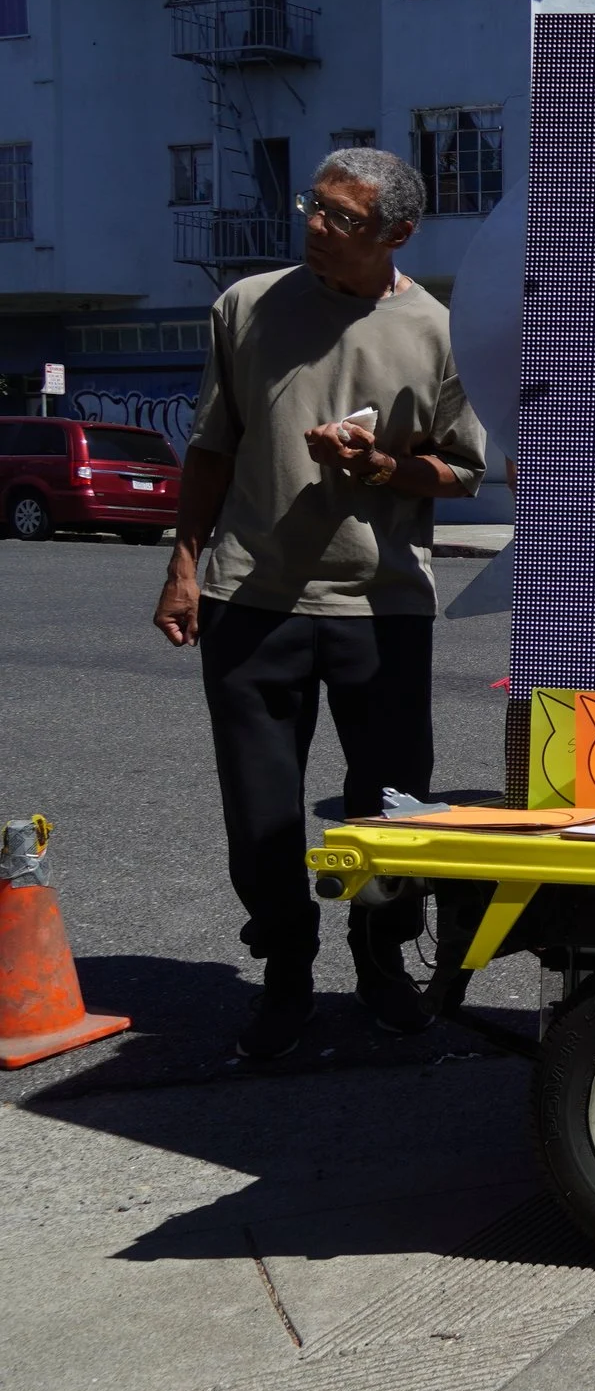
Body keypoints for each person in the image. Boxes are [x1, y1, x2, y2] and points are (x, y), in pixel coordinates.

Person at [152, 147, 487, 1060]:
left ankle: (381, 961)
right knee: (259, 812)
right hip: (251, 595)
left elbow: (462, 469)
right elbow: (212, 445)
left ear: (397, 234)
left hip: (382, 604)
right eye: (316, 204)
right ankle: (285, 971)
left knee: (392, 809)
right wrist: (183, 563)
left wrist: (378, 465)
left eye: (342, 218)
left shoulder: (437, 330)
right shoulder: (247, 305)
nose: (315, 226)